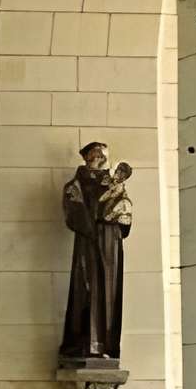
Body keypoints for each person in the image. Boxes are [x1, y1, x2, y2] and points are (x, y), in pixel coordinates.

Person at [58, 140, 132, 366]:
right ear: (86, 157)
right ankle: (85, 344)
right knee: (87, 289)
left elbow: (125, 209)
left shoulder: (114, 183)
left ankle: (107, 344)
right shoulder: (76, 185)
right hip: (89, 241)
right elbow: (74, 211)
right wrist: (91, 224)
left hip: (110, 241)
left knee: (108, 292)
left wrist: (120, 212)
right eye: (93, 154)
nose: (98, 158)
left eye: (102, 155)